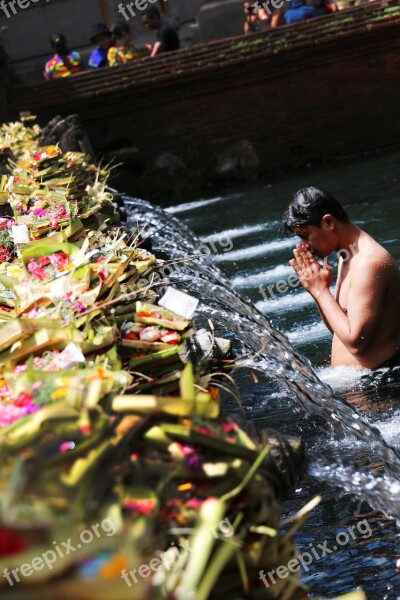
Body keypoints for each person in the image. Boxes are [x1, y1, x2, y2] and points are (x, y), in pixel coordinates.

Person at [283, 187, 400, 370]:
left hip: (381, 386)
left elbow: (356, 343)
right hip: (357, 383)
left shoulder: (369, 261)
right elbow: (339, 331)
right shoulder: (347, 256)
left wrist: (320, 291)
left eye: (305, 236)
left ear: (328, 222)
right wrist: (316, 290)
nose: (304, 246)